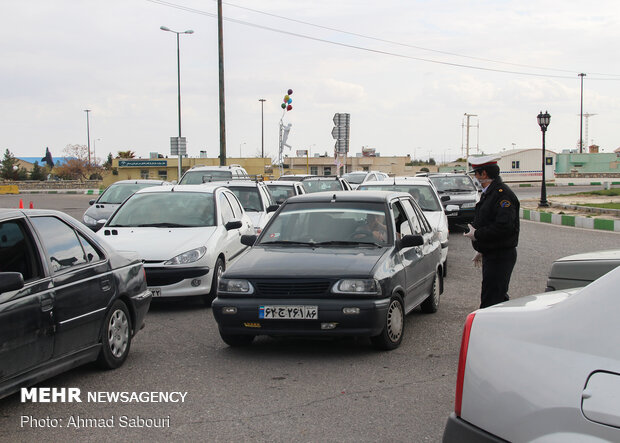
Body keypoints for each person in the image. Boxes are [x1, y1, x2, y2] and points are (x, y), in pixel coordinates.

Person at [463, 155, 520, 308]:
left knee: (492, 300)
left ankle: (492, 330)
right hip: (492, 252)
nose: (475, 177)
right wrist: (481, 248)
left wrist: (477, 235)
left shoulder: (502, 194)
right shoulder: (491, 192)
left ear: (484, 174)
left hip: (500, 255)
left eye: (476, 173)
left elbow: (504, 227)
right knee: (495, 296)